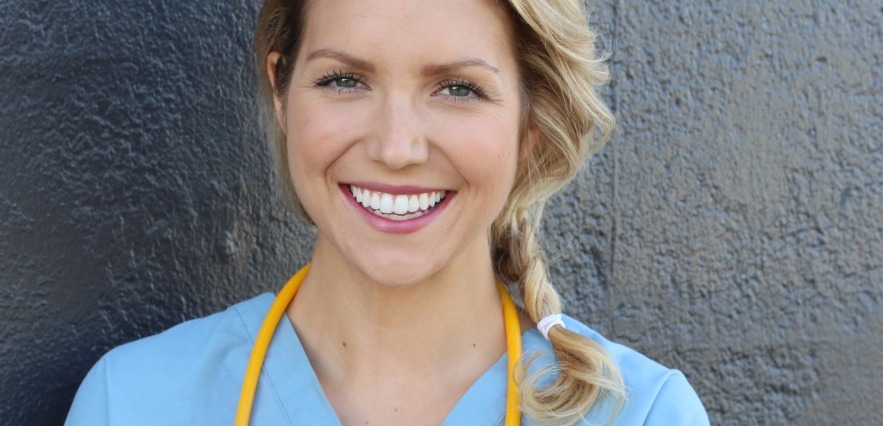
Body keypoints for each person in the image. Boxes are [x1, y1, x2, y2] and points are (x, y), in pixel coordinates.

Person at [65, 0, 709, 424]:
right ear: (282, 93)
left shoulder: (642, 415)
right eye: (344, 80)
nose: (396, 148)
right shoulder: (132, 404)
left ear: (529, 123)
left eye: (458, 88)